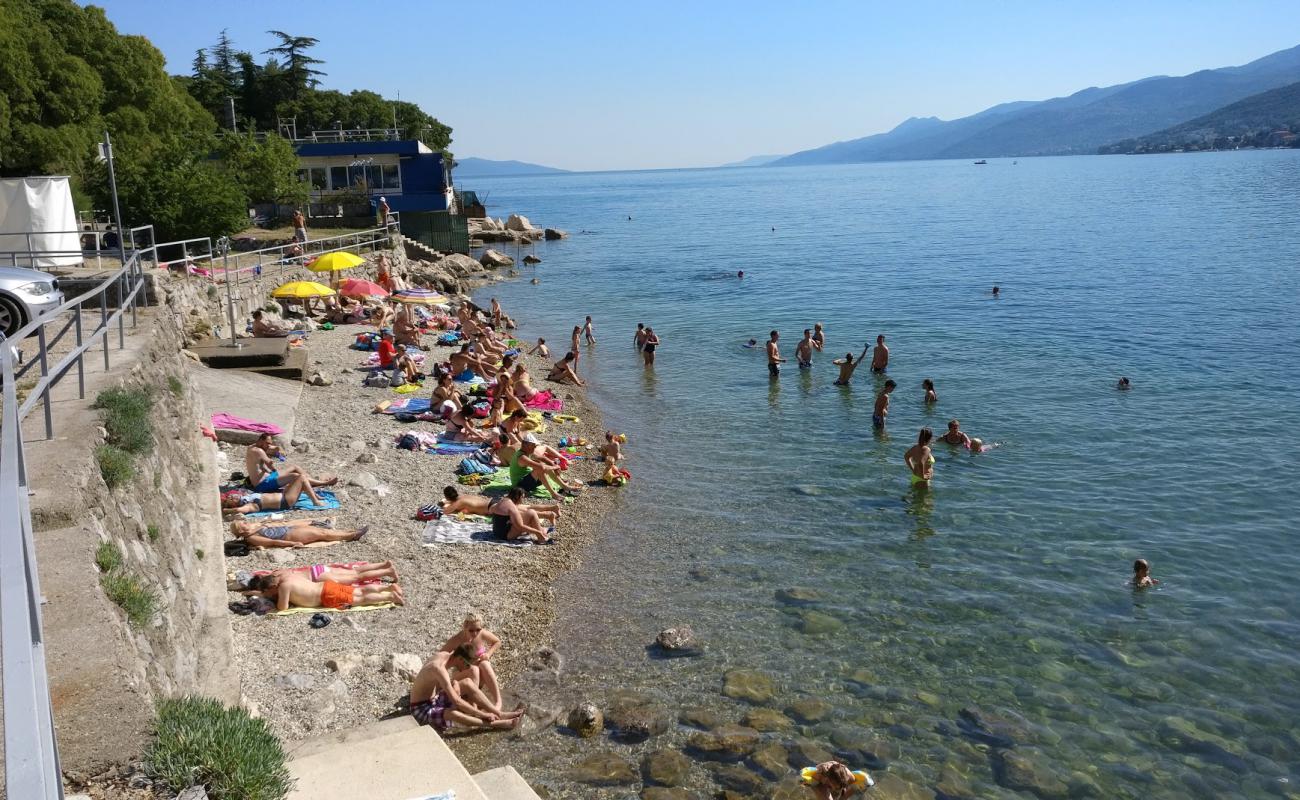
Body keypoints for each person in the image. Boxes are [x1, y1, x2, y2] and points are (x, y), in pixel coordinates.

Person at [408, 649, 525, 734]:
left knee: (467, 682)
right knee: (451, 713)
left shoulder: (444, 655)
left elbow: (436, 684)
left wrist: (454, 684)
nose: (468, 667)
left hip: (434, 698)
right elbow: (457, 701)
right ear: (459, 658)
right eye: (466, 664)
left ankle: (500, 714)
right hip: (421, 708)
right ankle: (498, 724)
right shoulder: (439, 669)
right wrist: (483, 714)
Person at [252, 571, 402, 611]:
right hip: (327, 586)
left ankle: (390, 597)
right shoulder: (289, 576)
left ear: (272, 588)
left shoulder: (284, 587)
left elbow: (282, 607)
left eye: (269, 593)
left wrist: (275, 600)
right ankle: (387, 587)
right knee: (359, 590)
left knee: (360, 600)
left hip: (326, 595)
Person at [440, 613, 503, 706]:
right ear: (465, 627)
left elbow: (497, 642)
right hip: (462, 674)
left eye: (478, 629)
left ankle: (498, 701)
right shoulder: (457, 639)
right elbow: (440, 655)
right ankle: (474, 704)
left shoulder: (482, 634)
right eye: (471, 630)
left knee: (485, 664)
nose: (475, 633)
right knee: (475, 670)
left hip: (478, 675)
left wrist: (488, 654)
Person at [244, 433, 337, 493]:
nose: (269, 445)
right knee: (296, 476)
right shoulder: (259, 451)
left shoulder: (252, 447)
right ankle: (323, 483)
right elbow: (269, 463)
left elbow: (270, 449)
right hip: (263, 484)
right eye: (267, 443)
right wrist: (273, 466)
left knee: (294, 467)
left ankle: (311, 481)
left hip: (268, 477)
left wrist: (277, 449)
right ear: (261, 441)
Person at [221, 473, 329, 518]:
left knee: (297, 476)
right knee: (301, 478)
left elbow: (239, 492)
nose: (232, 496)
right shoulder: (248, 505)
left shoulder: (246, 496)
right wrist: (227, 511)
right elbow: (241, 510)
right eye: (231, 499)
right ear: (234, 505)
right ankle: (315, 501)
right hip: (286, 501)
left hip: (283, 495)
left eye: (231, 496)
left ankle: (315, 495)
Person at [440, 486, 558, 523]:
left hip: (491, 508)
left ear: (448, 497)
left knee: (518, 513)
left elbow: (446, 511)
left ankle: (548, 515)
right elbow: (463, 507)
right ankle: (552, 508)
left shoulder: (458, 502)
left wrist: (445, 505)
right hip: (493, 501)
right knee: (526, 507)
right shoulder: (463, 496)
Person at [228, 518, 368, 548]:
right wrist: (293, 543)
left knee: (322, 531)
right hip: (289, 536)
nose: (246, 523)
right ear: (241, 531)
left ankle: (351, 532)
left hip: (289, 529)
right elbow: (273, 542)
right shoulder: (252, 538)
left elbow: (264, 524)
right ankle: (352, 535)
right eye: (243, 525)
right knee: (321, 534)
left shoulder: (252, 529)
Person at [488, 487, 554, 542]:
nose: (522, 500)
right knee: (532, 513)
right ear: (517, 496)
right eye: (522, 497)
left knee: (527, 513)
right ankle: (541, 537)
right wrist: (537, 532)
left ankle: (542, 531)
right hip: (505, 535)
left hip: (496, 532)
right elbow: (520, 526)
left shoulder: (503, 500)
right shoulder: (512, 507)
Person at [802, 760, 873, 800]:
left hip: (835, 777)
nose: (834, 788)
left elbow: (852, 789)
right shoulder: (821, 774)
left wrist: (843, 797)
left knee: (839, 796)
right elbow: (814, 784)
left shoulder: (850, 777)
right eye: (833, 786)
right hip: (820, 781)